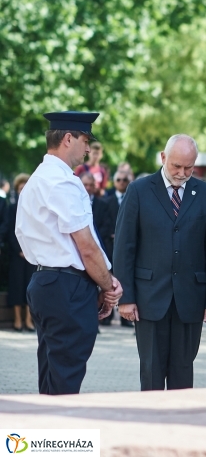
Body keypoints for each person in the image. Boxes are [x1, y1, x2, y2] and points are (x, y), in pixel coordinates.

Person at [15, 111, 123, 395]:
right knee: (65, 380)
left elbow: (24, 244)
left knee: (52, 375)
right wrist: (107, 284)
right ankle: (62, 438)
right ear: (67, 139)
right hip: (67, 287)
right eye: (85, 140)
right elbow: (85, 246)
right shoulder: (62, 181)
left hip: (45, 282)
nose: (88, 148)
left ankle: (46, 436)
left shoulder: (36, 180)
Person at [114, 134, 206, 391]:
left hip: (191, 299)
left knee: (183, 372)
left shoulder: (205, 194)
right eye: (177, 166)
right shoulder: (139, 190)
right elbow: (124, 246)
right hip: (148, 298)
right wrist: (125, 297)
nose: (183, 173)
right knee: (151, 370)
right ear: (163, 158)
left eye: (189, 167)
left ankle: (179, 424)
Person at [100, 170, 133, 327]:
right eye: (118, 179)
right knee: (109, 279)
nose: (121, 182)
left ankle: (125, 315)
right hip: (109, 245)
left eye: (124, 179)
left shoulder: (134, 199)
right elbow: (102, 224)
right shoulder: (107, 201)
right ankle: (107, 315)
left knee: (125, 277)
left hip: (128, 247)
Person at [5, 174, 35, 332]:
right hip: (17, 255)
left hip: (32, 255)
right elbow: (10, 232)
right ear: (17, 190)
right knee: (17, 286)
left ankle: (29, 321)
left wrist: (30, 251)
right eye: (20, 188)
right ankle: (17, 320)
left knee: (30, 287)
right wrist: (19, 250)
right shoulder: (11, 208)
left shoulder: (35, 209)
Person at [78, 173, 114, 261]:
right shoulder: (74, 203)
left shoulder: (103, 205)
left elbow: (106, 225)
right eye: (85, 184)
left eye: (91, 185)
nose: (88, 188)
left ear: (95, 186)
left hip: (99, 246)